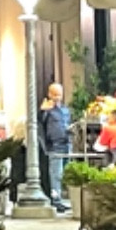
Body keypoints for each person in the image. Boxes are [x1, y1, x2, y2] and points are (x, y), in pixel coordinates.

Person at [38, 83, 71, 214]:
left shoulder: (65, 110)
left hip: (66, 145)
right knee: (55, 175)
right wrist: (43, 111)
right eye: (55, 94)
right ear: (49, 94)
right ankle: (56, 200)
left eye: (60, 94)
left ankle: (61, 198)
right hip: (54, 146)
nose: (58, 97)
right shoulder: (46, 111)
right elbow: (39, 123)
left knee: (63, 175)